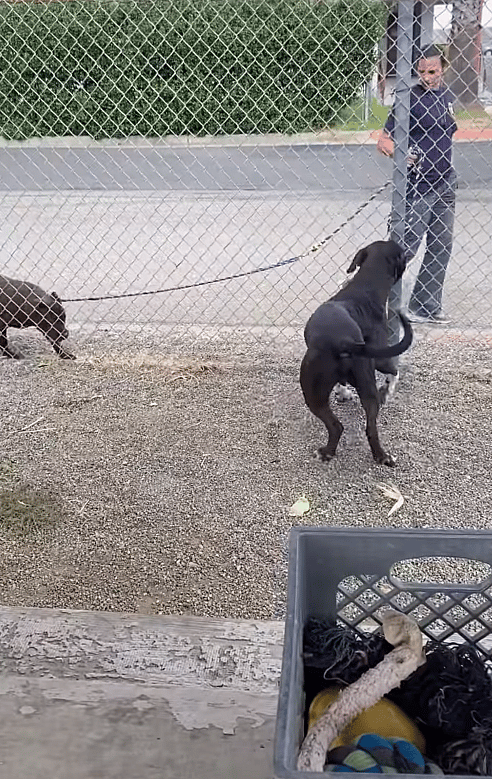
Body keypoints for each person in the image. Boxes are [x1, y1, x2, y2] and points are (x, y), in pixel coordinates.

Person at [377, 45, 457, 324]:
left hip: (445, 181)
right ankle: (373, 300)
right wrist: (405, 155)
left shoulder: (447, 96)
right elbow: (384, 142)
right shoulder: (408, 99)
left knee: (441, 244)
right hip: (418, 185)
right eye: (421, 71)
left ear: (443, 68)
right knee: (405, 247)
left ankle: (426, 305)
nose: (426, 77)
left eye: (432, 71)